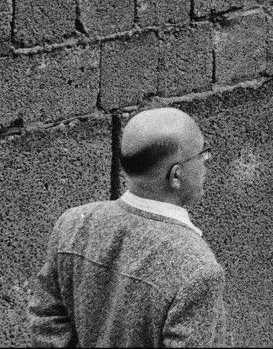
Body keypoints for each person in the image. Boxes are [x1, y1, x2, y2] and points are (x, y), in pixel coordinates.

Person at [28, 107, 228, 348]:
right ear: (176, 175)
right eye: (202, 153)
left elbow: (46, 322)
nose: (208, 161)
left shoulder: (73, 223)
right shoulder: (198, 269)